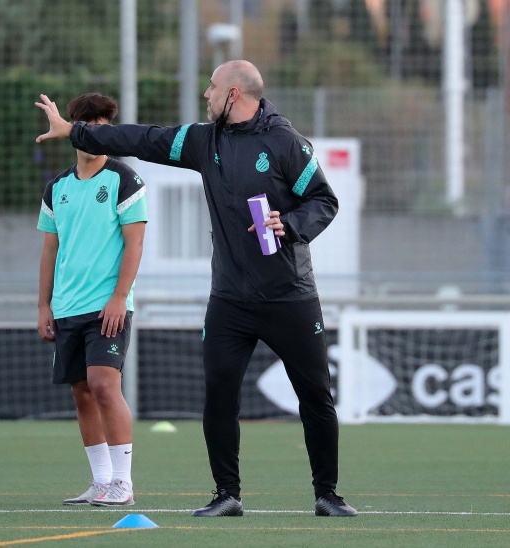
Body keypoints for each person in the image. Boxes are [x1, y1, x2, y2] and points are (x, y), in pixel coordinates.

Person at [35, 60, 357, 518]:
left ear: (233, 94)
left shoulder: (286, 143)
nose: (206, 94)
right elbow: (143, 139)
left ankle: (328, 494)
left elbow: (324, 200)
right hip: (229, 298)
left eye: (212, 87)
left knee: (316, 396)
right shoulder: (205, 141)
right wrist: (75, 131)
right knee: (219, 396)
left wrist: (289, 223)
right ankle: (227, 495)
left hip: (290, 295)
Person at [36, 93, 147, 507]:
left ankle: (123, 483)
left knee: (103, 384)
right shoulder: (57, 188)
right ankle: (100, 481)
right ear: (74, 131)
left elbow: (135, 244)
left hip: (107, 306)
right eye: (87, 126)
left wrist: (119, 297)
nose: (94, 134)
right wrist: (44, 305)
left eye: (102, 128)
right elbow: (50, 249)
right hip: (67, 306)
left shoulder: (124, 180)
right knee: (81, 391)